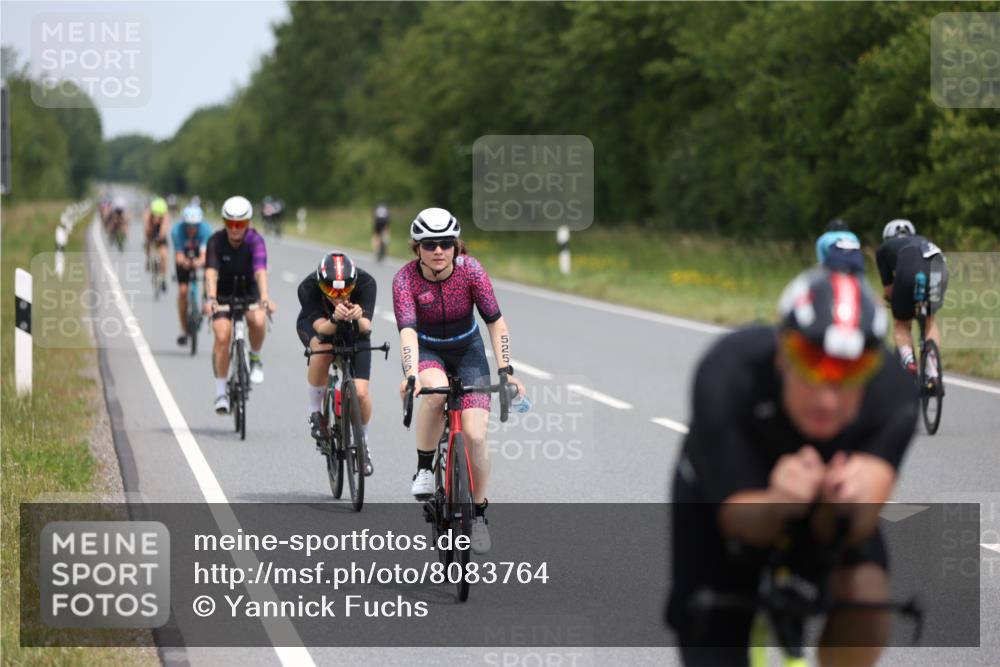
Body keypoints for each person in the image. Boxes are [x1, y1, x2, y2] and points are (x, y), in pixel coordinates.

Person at [666, 269, 918, 667]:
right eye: (810, 364)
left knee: (867, 599)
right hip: (728, 493)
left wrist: (842, 506)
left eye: (849, 374)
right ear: (782, 354)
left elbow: (864, 514)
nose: (827, 399)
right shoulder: (728, 371)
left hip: (824, 502)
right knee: (708, 623)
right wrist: (777, 502)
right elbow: (738, 518)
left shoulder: (893, 392)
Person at [392, 207, 526, 554]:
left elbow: (496, 323)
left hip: (468, 352)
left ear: (457, 246)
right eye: (430, 244)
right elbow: (407, 332)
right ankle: (423, 469)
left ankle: (478, 514)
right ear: (416, 247)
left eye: (447, 243)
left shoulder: (472, 272)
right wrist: (410, 375)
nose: (439, 250)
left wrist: (506, 370)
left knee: (476, 434)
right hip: (428, 351)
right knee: (435, 395)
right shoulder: (405, 280)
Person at [297, 252, 378, 475]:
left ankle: (363, 445)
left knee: (360, 394)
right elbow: (322, 329)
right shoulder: (308, 287)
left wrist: (358, 316)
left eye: (345, 291)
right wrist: (335, 318)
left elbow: (365, 327)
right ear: (321, 285)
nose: (339, 296)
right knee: (322, 350)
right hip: (319, 325)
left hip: (354, 330)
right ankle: (315, 412)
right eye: (332, 291)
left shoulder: (366, 283)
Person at [203, 196, 276, 414]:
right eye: (230, 224)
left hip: (248, 290)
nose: (235, 229)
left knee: (258, 318)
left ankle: (255, 358)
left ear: (248, 224)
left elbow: (261, 270)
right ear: (225, 222)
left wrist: (264, 297)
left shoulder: (255, 240)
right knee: (222, 335)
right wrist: (211, 299)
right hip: (222, 292)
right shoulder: (215, 241)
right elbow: (210, 272)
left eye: (240, 224)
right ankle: (221, 393)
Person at [875, 219, 948, 376]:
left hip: (909, 271)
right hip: (938, 268)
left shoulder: (884, 249)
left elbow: (889, 291)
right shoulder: (924, 240)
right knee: (930, 320)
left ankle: (908, 361)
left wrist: (891, 302)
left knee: (901, 324)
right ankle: (932, 366)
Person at [171, 204, 213, 346]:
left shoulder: (206, 230)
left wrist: (198, 262)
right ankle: (183, 329)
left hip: (200, 256)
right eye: (188, 226)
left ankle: (207, 298)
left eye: (194, 226)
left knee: (210, 273)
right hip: (184, 258)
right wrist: (184, 262)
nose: (191, 229)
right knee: (183, 291)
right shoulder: (177, 231)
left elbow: (204, 255)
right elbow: (178, 255)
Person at [144, 196, 170, 291]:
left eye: (159, 215)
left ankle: (163, 279)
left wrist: (160, 236)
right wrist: (151, 227)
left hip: (160, 235)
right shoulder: (148, 214)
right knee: (148, 243)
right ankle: (148, 258)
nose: (157, 217)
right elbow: (147, 230)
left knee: (164, 255)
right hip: (151, 233)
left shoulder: (165, 216)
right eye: (155, 214)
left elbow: (164, 229)